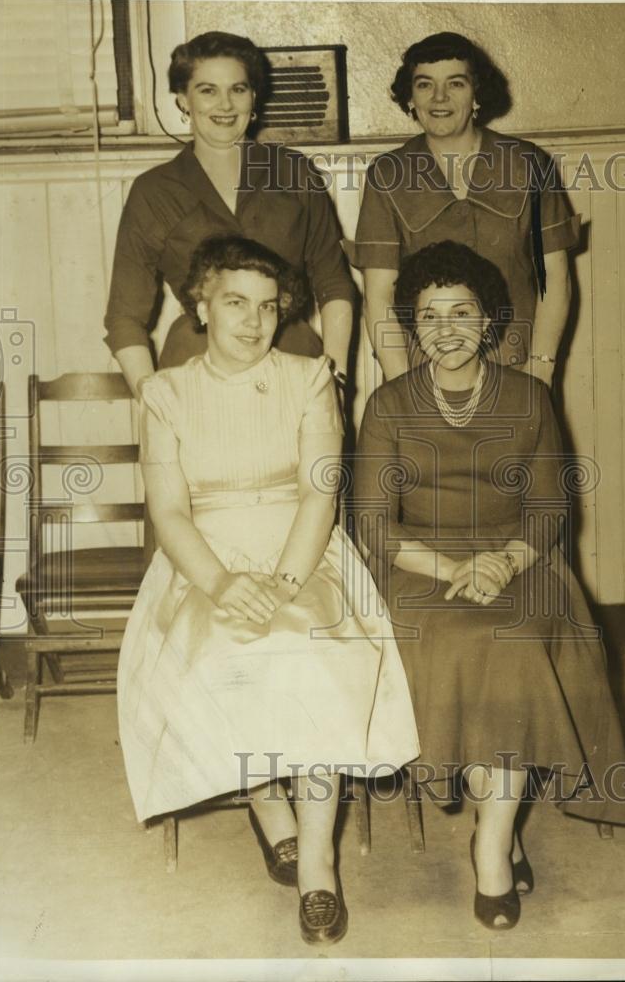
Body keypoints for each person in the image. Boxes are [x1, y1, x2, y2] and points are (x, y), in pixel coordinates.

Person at [117, 236, 418, 946]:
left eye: (268, 307)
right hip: (204, 557)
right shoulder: (164, 392)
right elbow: (168, 512)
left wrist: (285, 580)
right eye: (234, 304)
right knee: (224, 655)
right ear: (201, 305)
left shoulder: (310, 377)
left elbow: (322, 492)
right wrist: (221, 583)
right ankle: (267, 805)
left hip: (302, 547)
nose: (253, 322)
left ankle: (317, 863)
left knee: (309, 655)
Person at [353, 241, 625, 932]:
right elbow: (369, 523)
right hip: (421, 566)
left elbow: (550, 509)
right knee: (457, 639)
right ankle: (499, 834)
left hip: (520, 559)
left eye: (461, 312)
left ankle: (491, 837)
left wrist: (506, 562)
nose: (445, 329)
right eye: (428, 315)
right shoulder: (388, 404)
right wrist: (451, 568)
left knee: (514, 639)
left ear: (490, 321)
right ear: (410, 327)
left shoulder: (529, 397)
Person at [104, 31, 353, 397]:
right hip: (194, 370)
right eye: (207, 90)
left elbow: (335, 284)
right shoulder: (153, 191)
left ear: (254, 98)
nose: (225, 105)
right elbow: (125, 318)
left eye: (238, 89)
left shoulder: (294, 173)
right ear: (182, 100)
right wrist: (155, 401)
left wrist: (336, 380)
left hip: (294, 366)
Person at [346, 31, 579, 385]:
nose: (439, 97)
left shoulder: (527, 163)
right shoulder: (387, 174)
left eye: (455, 83)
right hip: (424, 372)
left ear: (477, 94)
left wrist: (541, 369)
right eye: (424, 85)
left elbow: (555, 278)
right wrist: (401, 384)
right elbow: (379, 295)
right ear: (410, 98)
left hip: (516, 367)